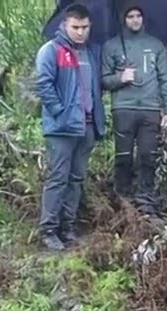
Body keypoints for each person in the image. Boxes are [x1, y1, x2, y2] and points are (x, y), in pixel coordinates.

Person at [34, 3, 106, 252]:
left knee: (76, 179)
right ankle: (48, 230)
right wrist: (60, 112)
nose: (80, 32)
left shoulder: (92, 52)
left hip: (86, 126)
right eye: (76, 27)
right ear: (65, 25)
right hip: (61, 129)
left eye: (85, 27)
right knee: (58, 178)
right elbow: (44, 85)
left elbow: (97, 87)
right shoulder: (51, 50)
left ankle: (68, 227)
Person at [101, 1, 167, 216]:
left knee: (148, 156)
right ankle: (123, 200)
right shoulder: (112, 46)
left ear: (143, 18)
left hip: (150, 108)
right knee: (124, 156)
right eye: (130, 16)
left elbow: (166, 79)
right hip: (123, 109)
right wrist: (120, 77)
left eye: (138, 16)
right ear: (123, 19)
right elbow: (103, 80)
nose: (135, 20)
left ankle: (146, 200)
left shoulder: (155, 45)